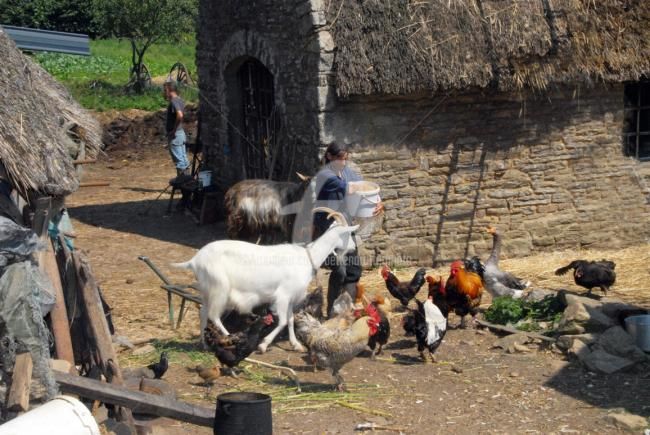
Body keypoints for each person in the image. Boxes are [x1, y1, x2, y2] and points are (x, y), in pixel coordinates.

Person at [313, 143, 383, 317]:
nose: (343, 163)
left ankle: (345, 311)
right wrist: (364, 189)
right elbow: (352, 188)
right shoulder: (324, 175)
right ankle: (331, 313)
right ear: (329, 156)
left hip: (345, 226)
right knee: (340, 269)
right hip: (327, 228)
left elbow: (364, 187)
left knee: (353, 270)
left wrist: (378, 201)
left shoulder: (347, 172)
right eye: (339, 158)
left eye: (345, 158)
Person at [163, 81, 191, 184]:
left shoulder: (174, 101)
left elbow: (180, 115)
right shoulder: (180, 100)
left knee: (179, 160)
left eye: (165, 90)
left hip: (176, 135)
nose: (164, 93)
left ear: (169, 90)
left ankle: (183, 182)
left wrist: (173, 130)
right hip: (180, 134)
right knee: (183, 158)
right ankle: (187, 181)